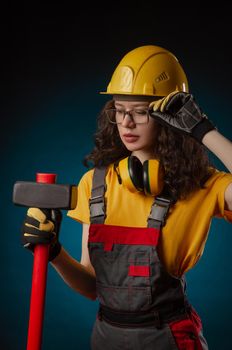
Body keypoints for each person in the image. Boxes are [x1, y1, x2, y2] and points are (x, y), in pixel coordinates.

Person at [22, 45, 232, 349]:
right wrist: (54, 253)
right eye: (120, 111)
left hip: (168, 338)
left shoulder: (202, 185)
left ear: (171, 115)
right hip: (106, 336)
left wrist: (203, 130)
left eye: (140, 113)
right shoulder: (95, 184)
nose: (127, 123)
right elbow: (92, 286)